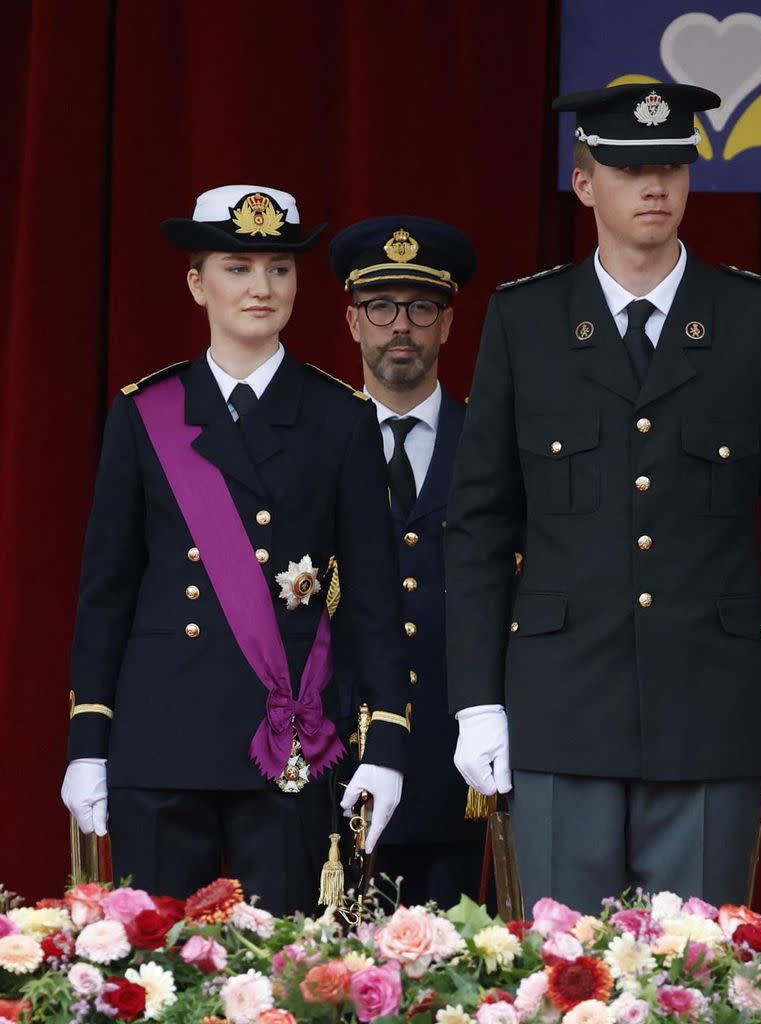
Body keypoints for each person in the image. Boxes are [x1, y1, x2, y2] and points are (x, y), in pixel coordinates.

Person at [445, 84, 761, 912]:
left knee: (693, 981)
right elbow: (479, 524)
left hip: (711, 703)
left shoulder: (760, 320)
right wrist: (478, 699)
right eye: (627, 169)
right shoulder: (527, 320)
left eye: (671, 166)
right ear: (584, 184)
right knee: (564, 978)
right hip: (559, 703)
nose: (654, 186)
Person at [61, 185, 411, 914]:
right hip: (163, 741)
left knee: (281, 979)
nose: (261, 287)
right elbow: (108, 591)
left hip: (284, 748)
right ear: (197, 283)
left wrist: (386, 744)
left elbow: (374, 599)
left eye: (279, 269)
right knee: (158, 980)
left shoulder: (340, 417)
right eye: (237, 266)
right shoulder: (144, 413)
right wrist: (89, 742)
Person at [328, 215, 486, 907]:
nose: (401, 326)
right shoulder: (312, 439)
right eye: (380, 307)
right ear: (352, 321)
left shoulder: (490, 441)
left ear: (446, 324)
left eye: (420, 308)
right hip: (336, 750)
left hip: (460, 756)